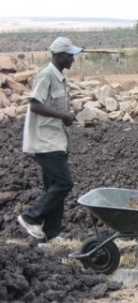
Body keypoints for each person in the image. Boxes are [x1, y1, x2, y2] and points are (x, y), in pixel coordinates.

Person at [17, 36, 84, 244]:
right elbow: (35, 105)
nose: (73, 59)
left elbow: (52, 108)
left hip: (57, 138)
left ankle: (49, 235)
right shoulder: (45, 75)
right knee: (65, 183)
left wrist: (67, 117)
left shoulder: (60, 78)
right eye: (70, 55)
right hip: (45, 141)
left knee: (54, 189)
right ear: (59, 55)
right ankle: (30, 217)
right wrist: (62, 115)